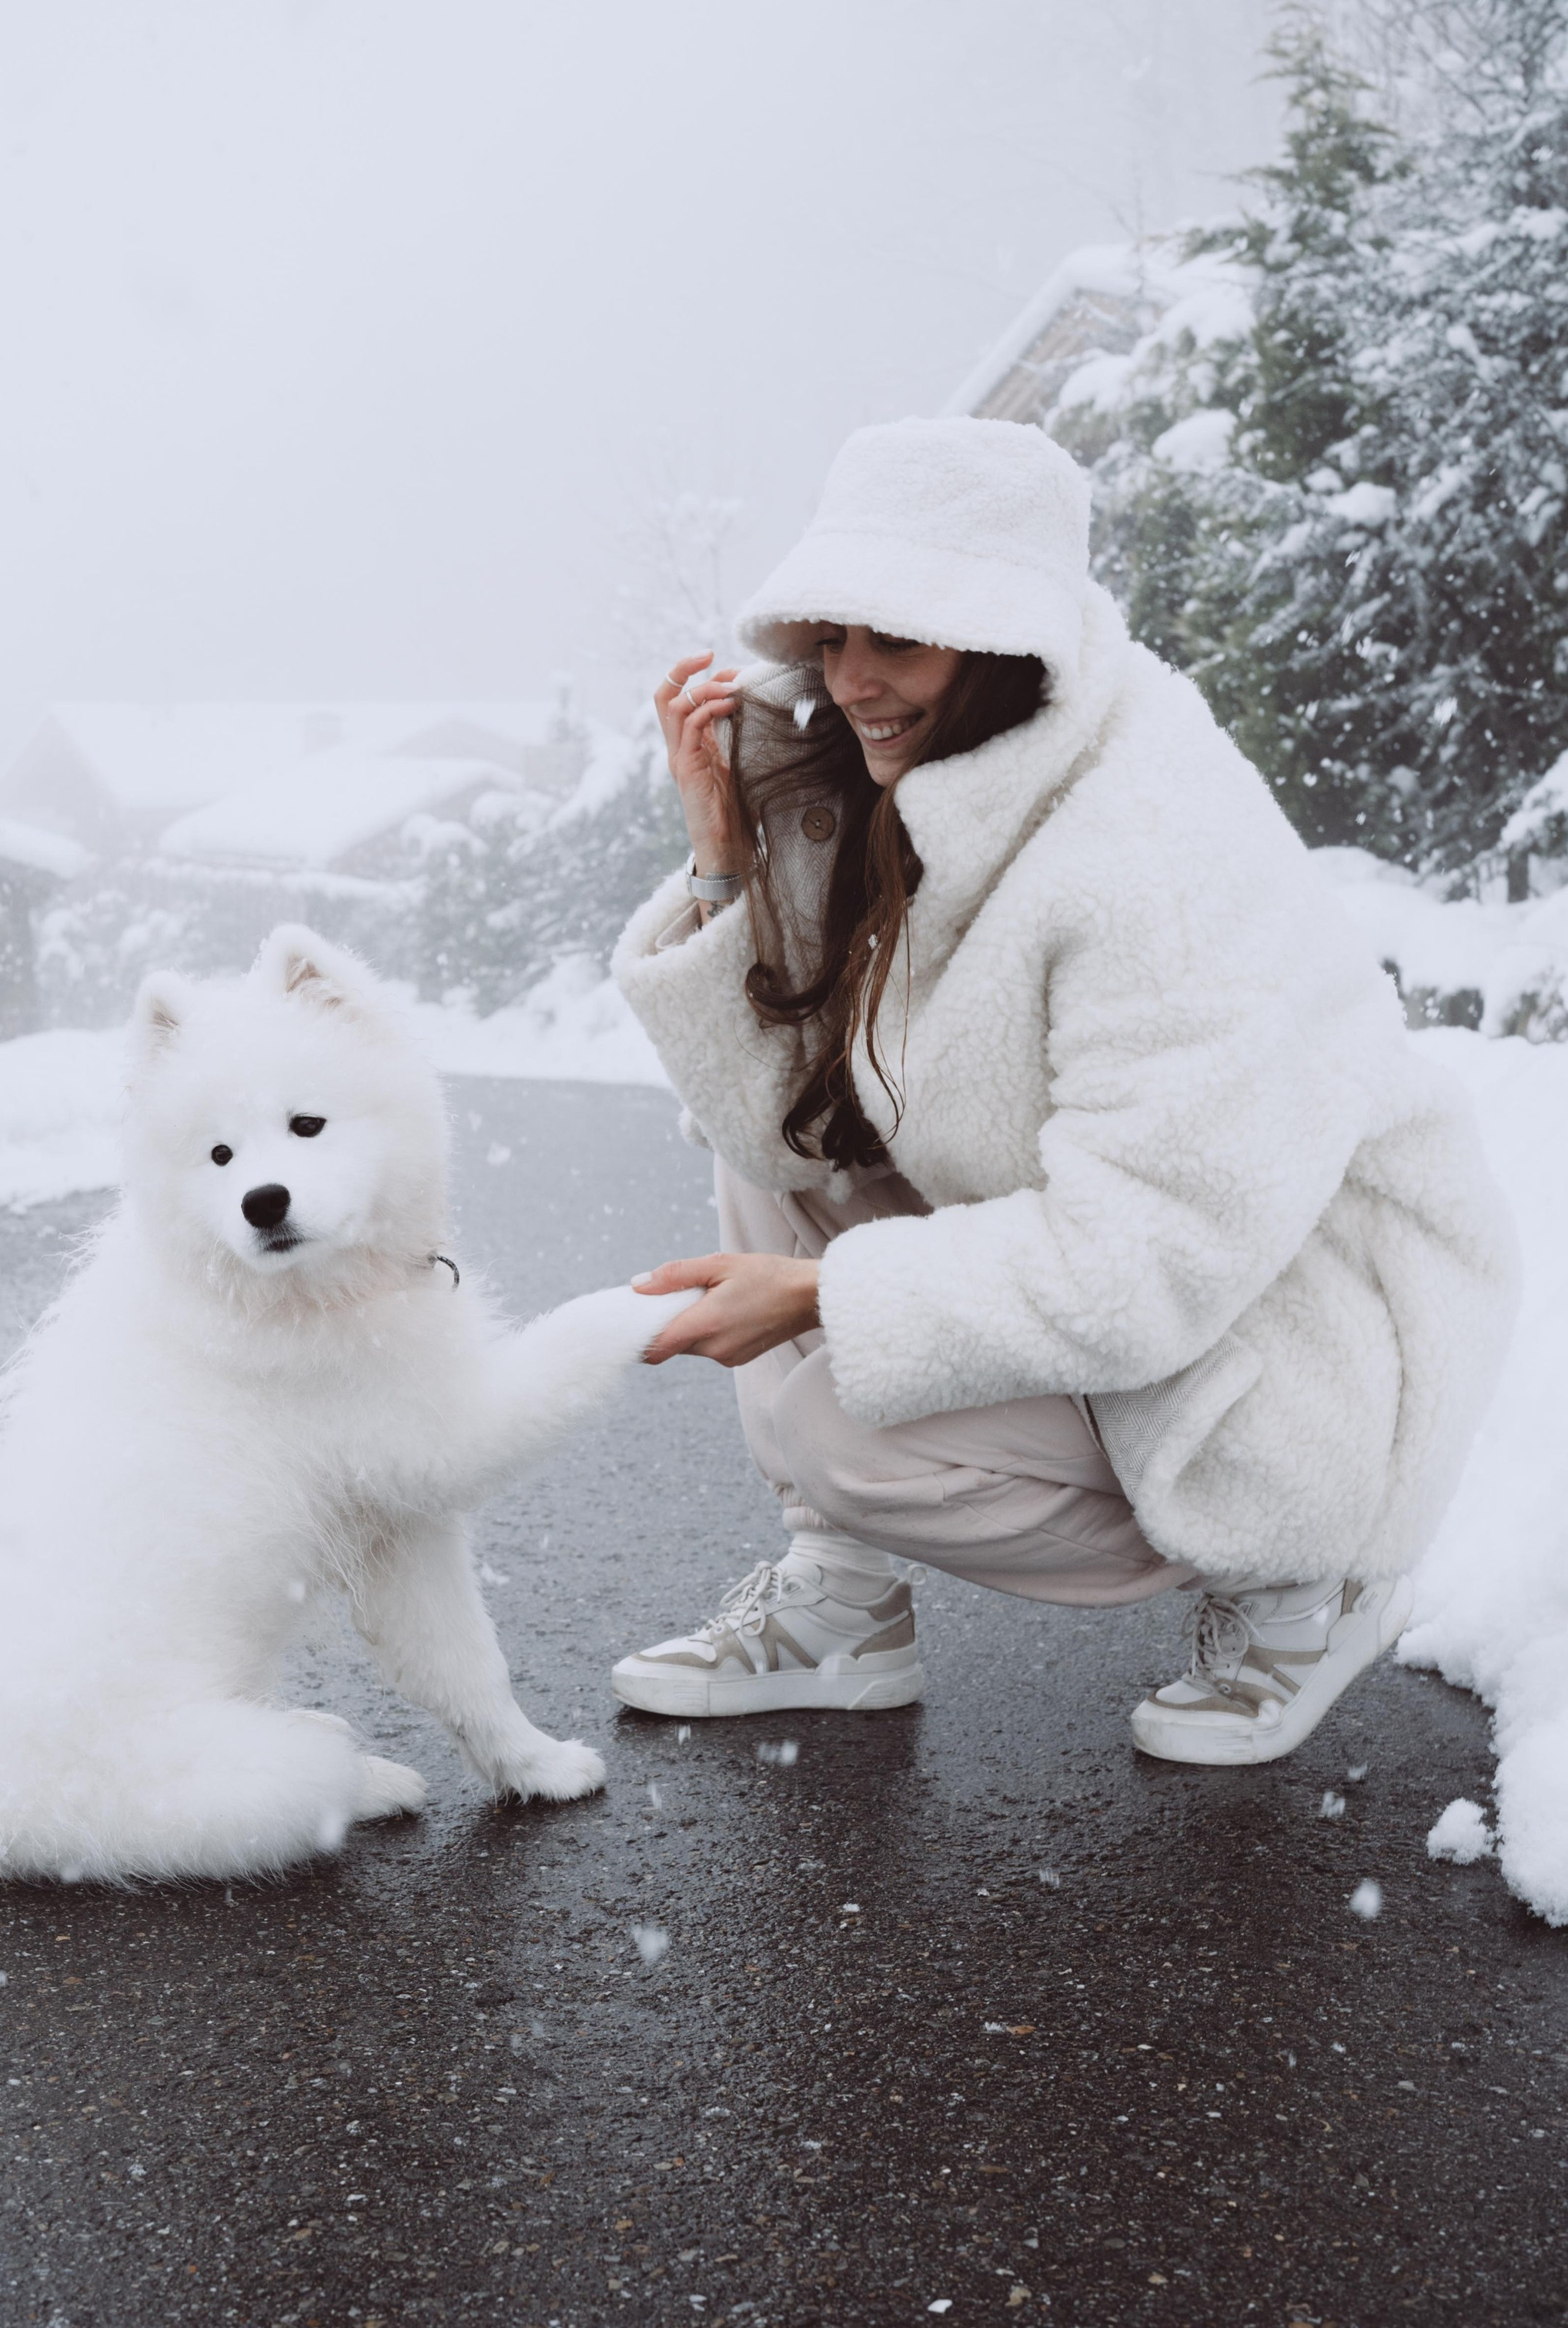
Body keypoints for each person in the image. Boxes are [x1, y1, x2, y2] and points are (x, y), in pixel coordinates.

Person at [607, 415, 1516, 1766]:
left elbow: (1149, 1254)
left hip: (1305, 1327)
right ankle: (844, 1610)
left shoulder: (1151, 852)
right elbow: (771, 1108)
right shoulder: (915, 771)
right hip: (1148, 1259)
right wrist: (721, 861)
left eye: (894, 641)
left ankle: (1305, 1584)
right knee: (780, 1143)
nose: (851, 681)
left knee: (844, 1433)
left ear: (999, 642)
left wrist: (821, 1297)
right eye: (829, 638)